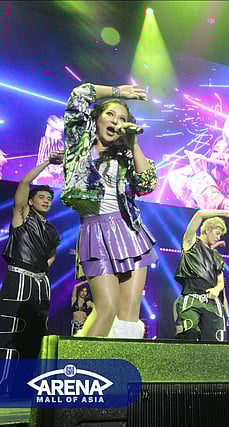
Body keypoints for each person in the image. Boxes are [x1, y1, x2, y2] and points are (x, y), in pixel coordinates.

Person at [62, 83, 157, 338]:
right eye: (110, 114)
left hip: (130, 231)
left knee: (129, 314)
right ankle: (82, 362)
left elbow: (147, 184)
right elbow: (79, 95)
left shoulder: (124, 155)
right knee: (106, 308)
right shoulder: (79, 143)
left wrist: (133, 144)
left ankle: (118, 362)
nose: (116, 121)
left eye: (122, 118)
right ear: (97, 119)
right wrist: (118, 93)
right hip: (95, 231)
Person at [0, 153, 62, 392]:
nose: (46, 201)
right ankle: (4, 384)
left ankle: (23, 386)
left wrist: (42, 270)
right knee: (10, 331)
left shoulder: (52, 230)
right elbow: (24, 182)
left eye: (49, 198)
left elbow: (52, 254)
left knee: (36, 333)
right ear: (31, 201)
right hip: (19, 277)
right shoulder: (22, 216)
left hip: (40, 283)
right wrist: (48, 163)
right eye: (41, 197)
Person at [174, 210, 229, 341]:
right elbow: (199, 214)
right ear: (208, 230)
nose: (218, 238)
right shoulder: (191, 243)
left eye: (220, 235)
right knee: (190, 335)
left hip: (212, 302)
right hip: (192, 299)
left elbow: (221, 281)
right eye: (217, 233)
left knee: (216, 340)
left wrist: (216, 289)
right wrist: (225, 213)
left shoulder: (216, 255)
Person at [168, 136, 229, 210]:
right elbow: (174, 176)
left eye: (228, 152)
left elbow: (227, 210)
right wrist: (197, 168)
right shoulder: (203, 177)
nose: (219, 156)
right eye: (215, 151)